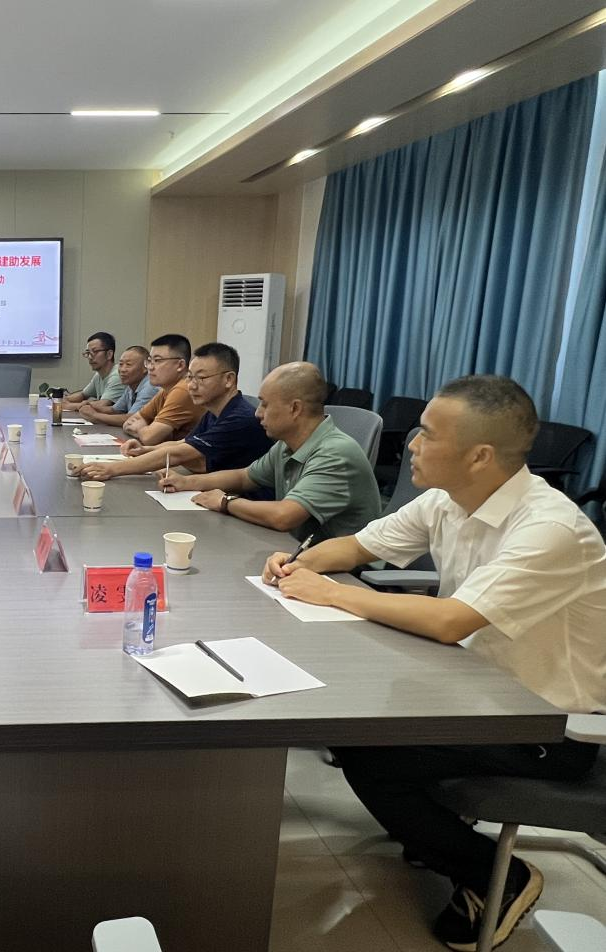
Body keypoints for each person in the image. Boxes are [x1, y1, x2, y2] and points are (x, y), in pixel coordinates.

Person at [261, 375, 606, 951]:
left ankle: (493, 874)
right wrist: (303, 562)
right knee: (349, 715)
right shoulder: (448, 498)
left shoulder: (550, 529)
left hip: (547, 724)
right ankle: (434, 830)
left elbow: (451, 621)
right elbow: (359, 546)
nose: (411, 445)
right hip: (473, 688)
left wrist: (334, 594)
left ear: (480, 456)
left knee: (367, 749)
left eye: (427, 434)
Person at [159, 361, 380, 540]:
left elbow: (284, 516)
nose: (258, 413)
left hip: (339, 572)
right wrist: (187, 482)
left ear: (295, 408)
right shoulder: (287, 444)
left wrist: (225, 502)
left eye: (265, 404)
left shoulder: (335, 454)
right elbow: (244, 477)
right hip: (294, 552)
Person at [82, 342, 270, 480]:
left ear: (229, 379)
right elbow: (183, 443)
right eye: (190, 378)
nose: (192, 386)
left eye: (201, 378)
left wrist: (112, 469)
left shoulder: (238, 417)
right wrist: (145, 450)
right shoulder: (215, 411)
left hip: (244, 502)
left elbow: (180, 453)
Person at [121, 334, 199, 445]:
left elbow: (149, 438)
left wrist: (143, 429)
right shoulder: (165, 390)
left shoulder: (183, 389)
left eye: (157, 360)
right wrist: (148, 430)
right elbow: (129, 422)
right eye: (149, 361)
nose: (150, 367)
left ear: (180, 365)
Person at [76, 346, 158, 426]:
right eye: (121, 364)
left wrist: (95, 416)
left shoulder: (150, 386)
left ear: (145, 367)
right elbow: (115, 410)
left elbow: (132, 419)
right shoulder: (131, 385)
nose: (122, 370)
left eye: (128, 364)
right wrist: (91, 406)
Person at [62, 332, 124, 408]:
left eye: (95, 351)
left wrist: (68, 405)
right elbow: (82, 395)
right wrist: (63, 400)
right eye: (88, 352)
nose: (90, 357)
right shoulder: (99, 375)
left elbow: (102, 405)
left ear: (109, 354)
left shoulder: (117, 375)